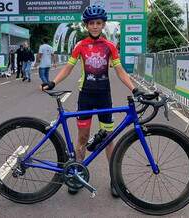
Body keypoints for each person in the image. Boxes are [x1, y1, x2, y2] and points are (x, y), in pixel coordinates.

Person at [41, 5, 143, 197]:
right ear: (86, 25)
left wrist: (134, 89)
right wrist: (53, 82)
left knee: (108, 138)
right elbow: (68, 69)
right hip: (86, 95)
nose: (95, 26)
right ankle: (77, 174)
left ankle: (115, 180)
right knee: (82, 137)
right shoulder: (80, 45)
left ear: (103, 25)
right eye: (91, 23)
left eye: (98, 23)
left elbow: (120, 71)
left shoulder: (110, 46)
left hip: (104, 96)